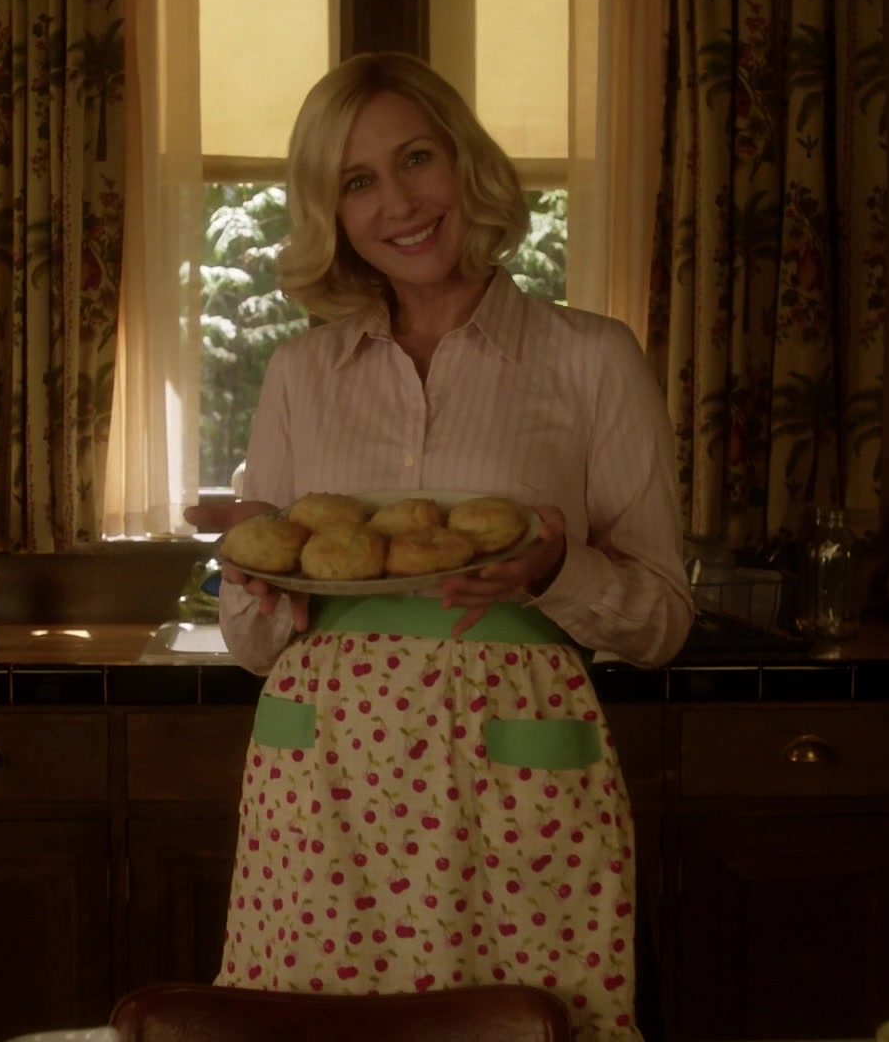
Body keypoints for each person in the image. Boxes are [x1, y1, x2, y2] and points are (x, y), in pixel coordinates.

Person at [186, 51, 692, 1040]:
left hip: (515, 777)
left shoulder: (592, 359)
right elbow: (252, 647)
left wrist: (557, 572)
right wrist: (256, 575)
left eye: (416, 158)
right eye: (357, 180)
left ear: (466, 161)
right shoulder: (299, 373)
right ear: (331, 212)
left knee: (527, 1024)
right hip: (322, 780)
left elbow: (664, 621)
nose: (399, 203)